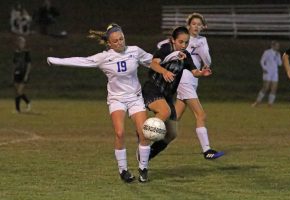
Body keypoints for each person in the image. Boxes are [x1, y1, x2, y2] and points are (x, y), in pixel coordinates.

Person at [47, 23, 154, 183]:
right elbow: (81, 61)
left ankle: (143, 168)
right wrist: (56, 61)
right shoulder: (104, 57)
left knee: (145, 133)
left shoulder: (135, 51)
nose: (120, 42)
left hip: (135, 97)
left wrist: (176, 59)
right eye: (116, 41)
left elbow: (154, 61)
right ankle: (123, 170)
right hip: (116, 99)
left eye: (121, 39)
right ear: (109, 44)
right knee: (119, 133)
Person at [157, 13, 224, 160]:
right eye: (194, 24)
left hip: (193, 80)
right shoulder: (183, 39)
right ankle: (207, 151)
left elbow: (208, 62)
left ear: (203, 27)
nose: (196, 27)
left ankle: (153, 136)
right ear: (189, 25)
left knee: (176, 116)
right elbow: (161, 45)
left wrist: (202, 50)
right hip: (184, 80)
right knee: (201, 115)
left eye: (199, 24)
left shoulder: (202, 41)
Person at [142, 26, 212, 160]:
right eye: (181, 42)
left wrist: (201, 73)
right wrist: (165, 71)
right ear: (173, 40)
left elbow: (194, 72)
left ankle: (149, 154)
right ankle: (143, 139)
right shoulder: (165, 49)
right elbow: (154, 64)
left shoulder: (186, 55)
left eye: (186, 42)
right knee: (164, 113)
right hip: (153, 89)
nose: (183, 45)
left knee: (172, 134)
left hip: (167, 95)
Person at [252, 40, 282, 107]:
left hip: (275, 73)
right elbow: (262, 61)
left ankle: (270, 104)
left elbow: (280, 64)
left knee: (274, 88)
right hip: (268, 71)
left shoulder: (278, 54)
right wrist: (264, 68)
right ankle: (257, 102)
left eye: (278, 46)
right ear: (272, 46)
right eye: (276, 46)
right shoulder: (267, 52)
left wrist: (277, 57)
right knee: (266, 87)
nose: (278, 47)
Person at [12, 36, 32, 113]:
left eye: (22, 43)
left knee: (20, 91)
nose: (21, 44)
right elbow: (14, 63)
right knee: (16, 92)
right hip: (17, 73)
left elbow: (29, 64)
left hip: (23, 74)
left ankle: (28, 102)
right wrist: (13, 73)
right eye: (19, 42)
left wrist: (27, 75)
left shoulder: (26, 53)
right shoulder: (16, 52)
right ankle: (17, 109)